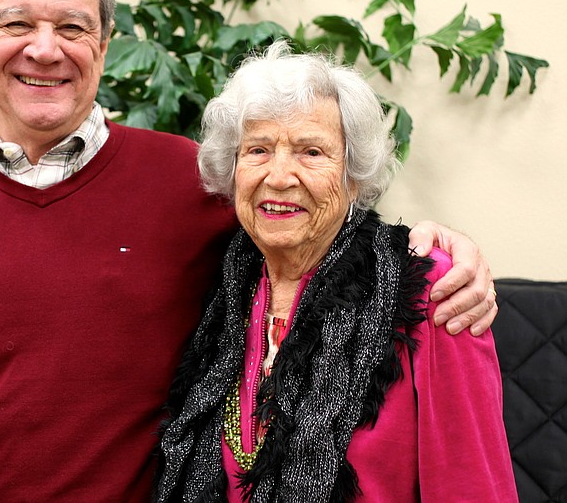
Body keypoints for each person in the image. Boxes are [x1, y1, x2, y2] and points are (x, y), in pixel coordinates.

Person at [0, 0, 499, 503]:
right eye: (17, 23)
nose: (45, 48)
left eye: (73, 26)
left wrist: (440, 247)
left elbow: (318, 227)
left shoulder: (191, 183)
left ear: (105, 42)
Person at [155, 42, 517, 502]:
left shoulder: (433, 290)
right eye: (259, 150)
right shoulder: (223, 290)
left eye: (311, 152)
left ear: (354, 175)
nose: (280, 176)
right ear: (233, 170)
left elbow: (473, 484)